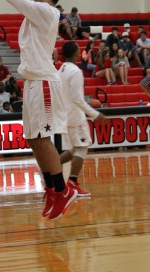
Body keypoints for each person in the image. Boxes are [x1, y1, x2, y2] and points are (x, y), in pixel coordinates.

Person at [6, 0, 78, 220]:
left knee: (43, 138)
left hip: (43, 81)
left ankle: (62, 190)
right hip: (32, 81)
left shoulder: (46, 11)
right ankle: (51, 189)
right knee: (34, 139)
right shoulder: (38, 13)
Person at [59, 41, 106, 196]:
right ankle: (72, 184)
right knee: (82, 147)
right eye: (79, 50)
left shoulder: (61, 69)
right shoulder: (75, 71)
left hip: (65, 114)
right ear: (74, 53)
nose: (81, 52)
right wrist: (95, 114)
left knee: (74, 148)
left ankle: (50, 169)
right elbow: (78, 99)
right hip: (75, 115)